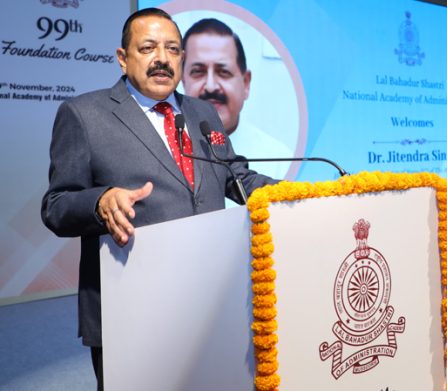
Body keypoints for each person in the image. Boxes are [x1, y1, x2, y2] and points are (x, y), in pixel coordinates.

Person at [40, 8, 278, 390]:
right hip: (132, 308)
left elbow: (236, 176)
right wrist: (100, 201)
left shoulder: (202, 113)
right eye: (148, 48)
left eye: (172, 49)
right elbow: (55, 206)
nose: (162, 59)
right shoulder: (84, 114)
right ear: (123, 57)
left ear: (182, 58)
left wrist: (295, 196)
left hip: (211, 301)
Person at [181, 18, 292, 180]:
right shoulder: (166, 150)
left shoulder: (280, 160)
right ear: (183, 82)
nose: (211, 86)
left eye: (223, 72)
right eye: (198, 72)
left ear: (245, 83)